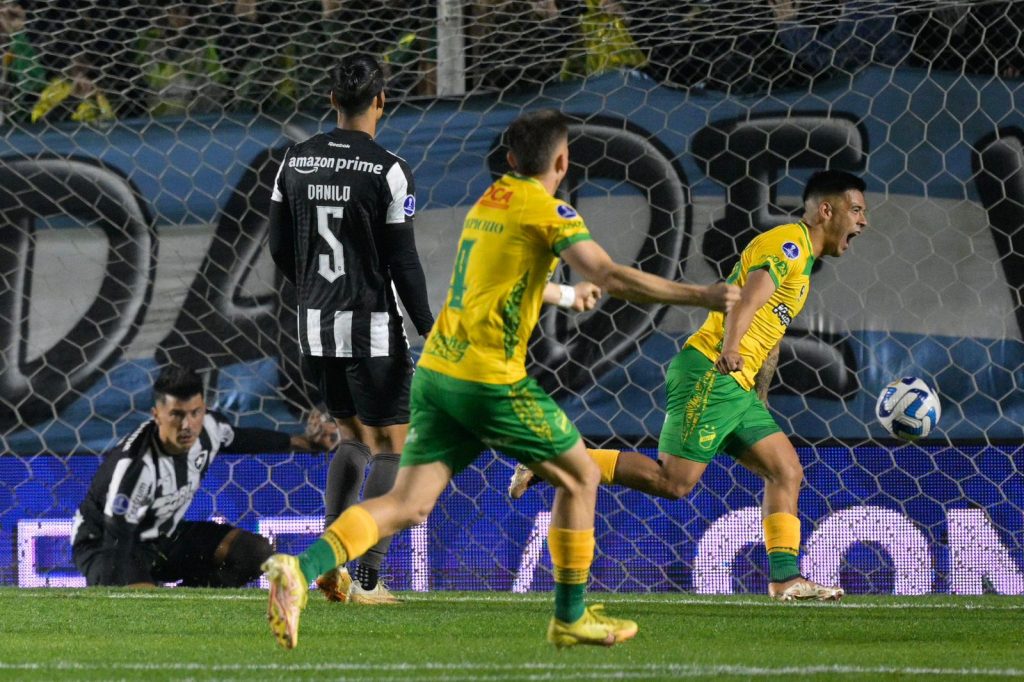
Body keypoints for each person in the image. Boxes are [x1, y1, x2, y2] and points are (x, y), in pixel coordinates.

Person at [260, 108, 740, 650]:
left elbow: (497, 284)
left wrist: (558, 293)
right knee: (580, 476)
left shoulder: (491, 202)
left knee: (409, 504)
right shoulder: (548, 210)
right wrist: (702, 295)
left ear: (510, 160)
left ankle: (298, 571)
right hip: (490, 380)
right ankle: (570, 616)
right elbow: (609, 274)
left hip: (440, 373)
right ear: (563, 161)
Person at [510, 169, 867, 602]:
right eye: (857, 210)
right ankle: (558, 460)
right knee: (673, 483)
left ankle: (786, 580)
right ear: (826, 211)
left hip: (738, 386)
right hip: (712, 370)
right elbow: (747, 300)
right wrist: (732, 349)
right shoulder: (788, 244)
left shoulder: (804, 266)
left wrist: (759, 395)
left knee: (786, 470)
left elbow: (769, 335)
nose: (862, 221)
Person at [267, 53, 434, 606]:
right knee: (393, 447)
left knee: (352, 438)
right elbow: (403, 263)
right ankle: (365, 575)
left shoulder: (294, 161)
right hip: (372, 327)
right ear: (381, 101)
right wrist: (427, 326)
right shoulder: (387, 168)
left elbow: (279, 248)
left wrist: (313, 289)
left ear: (333, 101)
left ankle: (332, 563)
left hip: (315, 325)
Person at [70, 365, 339, 588]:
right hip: (105, 546)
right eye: (176, 415)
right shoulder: (136, 469)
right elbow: (118, 544)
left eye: (195, 413)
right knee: (144, 607)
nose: (187, 425)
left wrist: (305, 442)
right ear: (157, 415)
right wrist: (139, 586)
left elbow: (243, 439)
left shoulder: (211, 428)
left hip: (163, 537)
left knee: (256, 553)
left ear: (203, 409)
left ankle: (190, 602)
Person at [30, 52, 115, 125]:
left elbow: (109, 118)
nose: (82, 71)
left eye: (86, 67)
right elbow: (40, 122)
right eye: (79, 66)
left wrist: (93, 98)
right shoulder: (56, 87)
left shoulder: (96, 91)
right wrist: (74, 97)